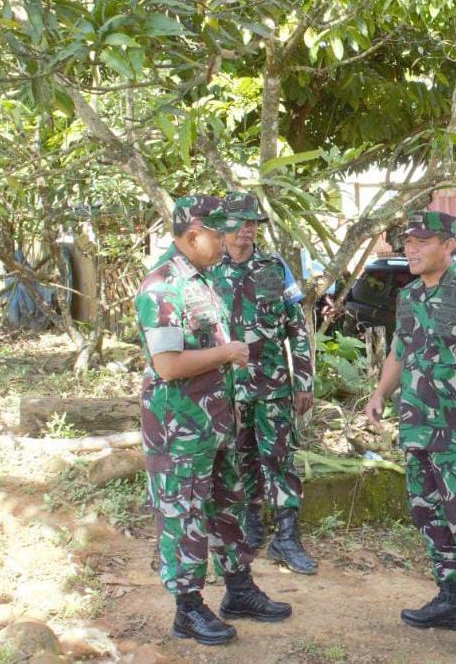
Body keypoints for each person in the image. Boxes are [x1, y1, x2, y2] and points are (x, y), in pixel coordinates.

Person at [135, 195, 291, 646]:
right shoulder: (162, 287)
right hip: (179, 429)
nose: (225, 241)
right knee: (183, 512)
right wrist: (227, 353)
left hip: (215, 423)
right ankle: (187, 608)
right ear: (192, 236)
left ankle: (239, 589)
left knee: (229, 504)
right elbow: (168, 364)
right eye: (217, 233)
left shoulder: (201, 280)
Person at [364, 211, 456, 660]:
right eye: (407, 241)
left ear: (448, 245)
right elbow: (399, 351)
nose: (411, 249)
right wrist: (380, 392)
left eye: (422, 241)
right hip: (417, 429)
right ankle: (451, 601)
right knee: (429, 516)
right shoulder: (408, 296)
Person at [209, 192, 316, 574]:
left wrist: (303, 380)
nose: (247, 229)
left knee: (280, 459)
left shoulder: (275, 268)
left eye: (253, 222)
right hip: (227, 389)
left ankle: (287, 537)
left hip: (272, 386)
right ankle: (251, 525)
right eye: (240, 222)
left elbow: (297, 329)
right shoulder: (209, 271)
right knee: (240, 459)